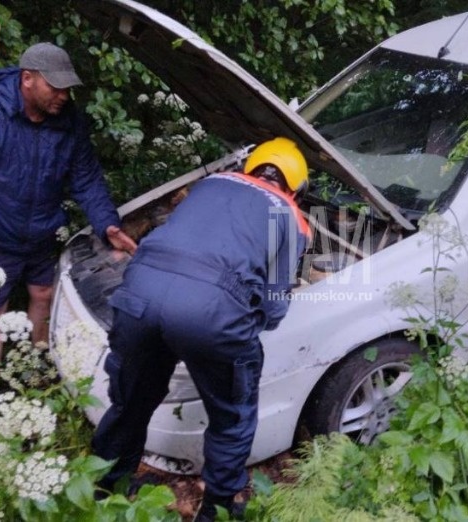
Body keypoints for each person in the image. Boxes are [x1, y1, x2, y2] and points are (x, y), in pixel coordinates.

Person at [91, 137, 310, 521]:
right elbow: (274, 307)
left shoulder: (211, 183)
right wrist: (243, 322)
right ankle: (216, 512)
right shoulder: (291, 217)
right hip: (211, 312)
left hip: (140, 291)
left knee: (131, 401)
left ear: (250, 167)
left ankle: (100, 491)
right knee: (232, 419)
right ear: (296, 187)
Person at [0, 42, 137, 408]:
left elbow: (86, 178)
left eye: (67, 88)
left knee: (44, 296)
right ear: (27, 79)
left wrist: (107, 224)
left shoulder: (69, 122)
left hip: (43, 231)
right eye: (55, 87)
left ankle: (32, 375)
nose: (63, 95)